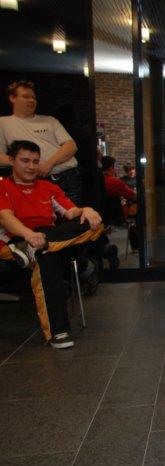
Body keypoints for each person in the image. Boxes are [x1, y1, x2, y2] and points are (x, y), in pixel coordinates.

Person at [0, 140, 103, 348]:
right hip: (15, 242)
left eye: (35, 161)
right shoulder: (2, 187)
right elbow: (5, 218)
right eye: (25, 161)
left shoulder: (48, 187)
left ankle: (38, 247)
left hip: (46, 240)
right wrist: (29, 236)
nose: (31, 166)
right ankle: (59, 331)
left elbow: (70, 212)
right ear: (11, 161)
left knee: (94, 223)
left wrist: (86, 210)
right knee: (48, 257)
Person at [0, 81, 83, 205]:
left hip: (68, 178)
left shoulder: (49, 120)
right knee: (42, 216)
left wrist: (48, 164)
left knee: (72, 215)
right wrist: (27, 164)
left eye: (33, 97)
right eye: (26, 96)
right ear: (12, 98)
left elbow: (71, 146)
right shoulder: (3, 123)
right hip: (34, 182)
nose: (31, 100)